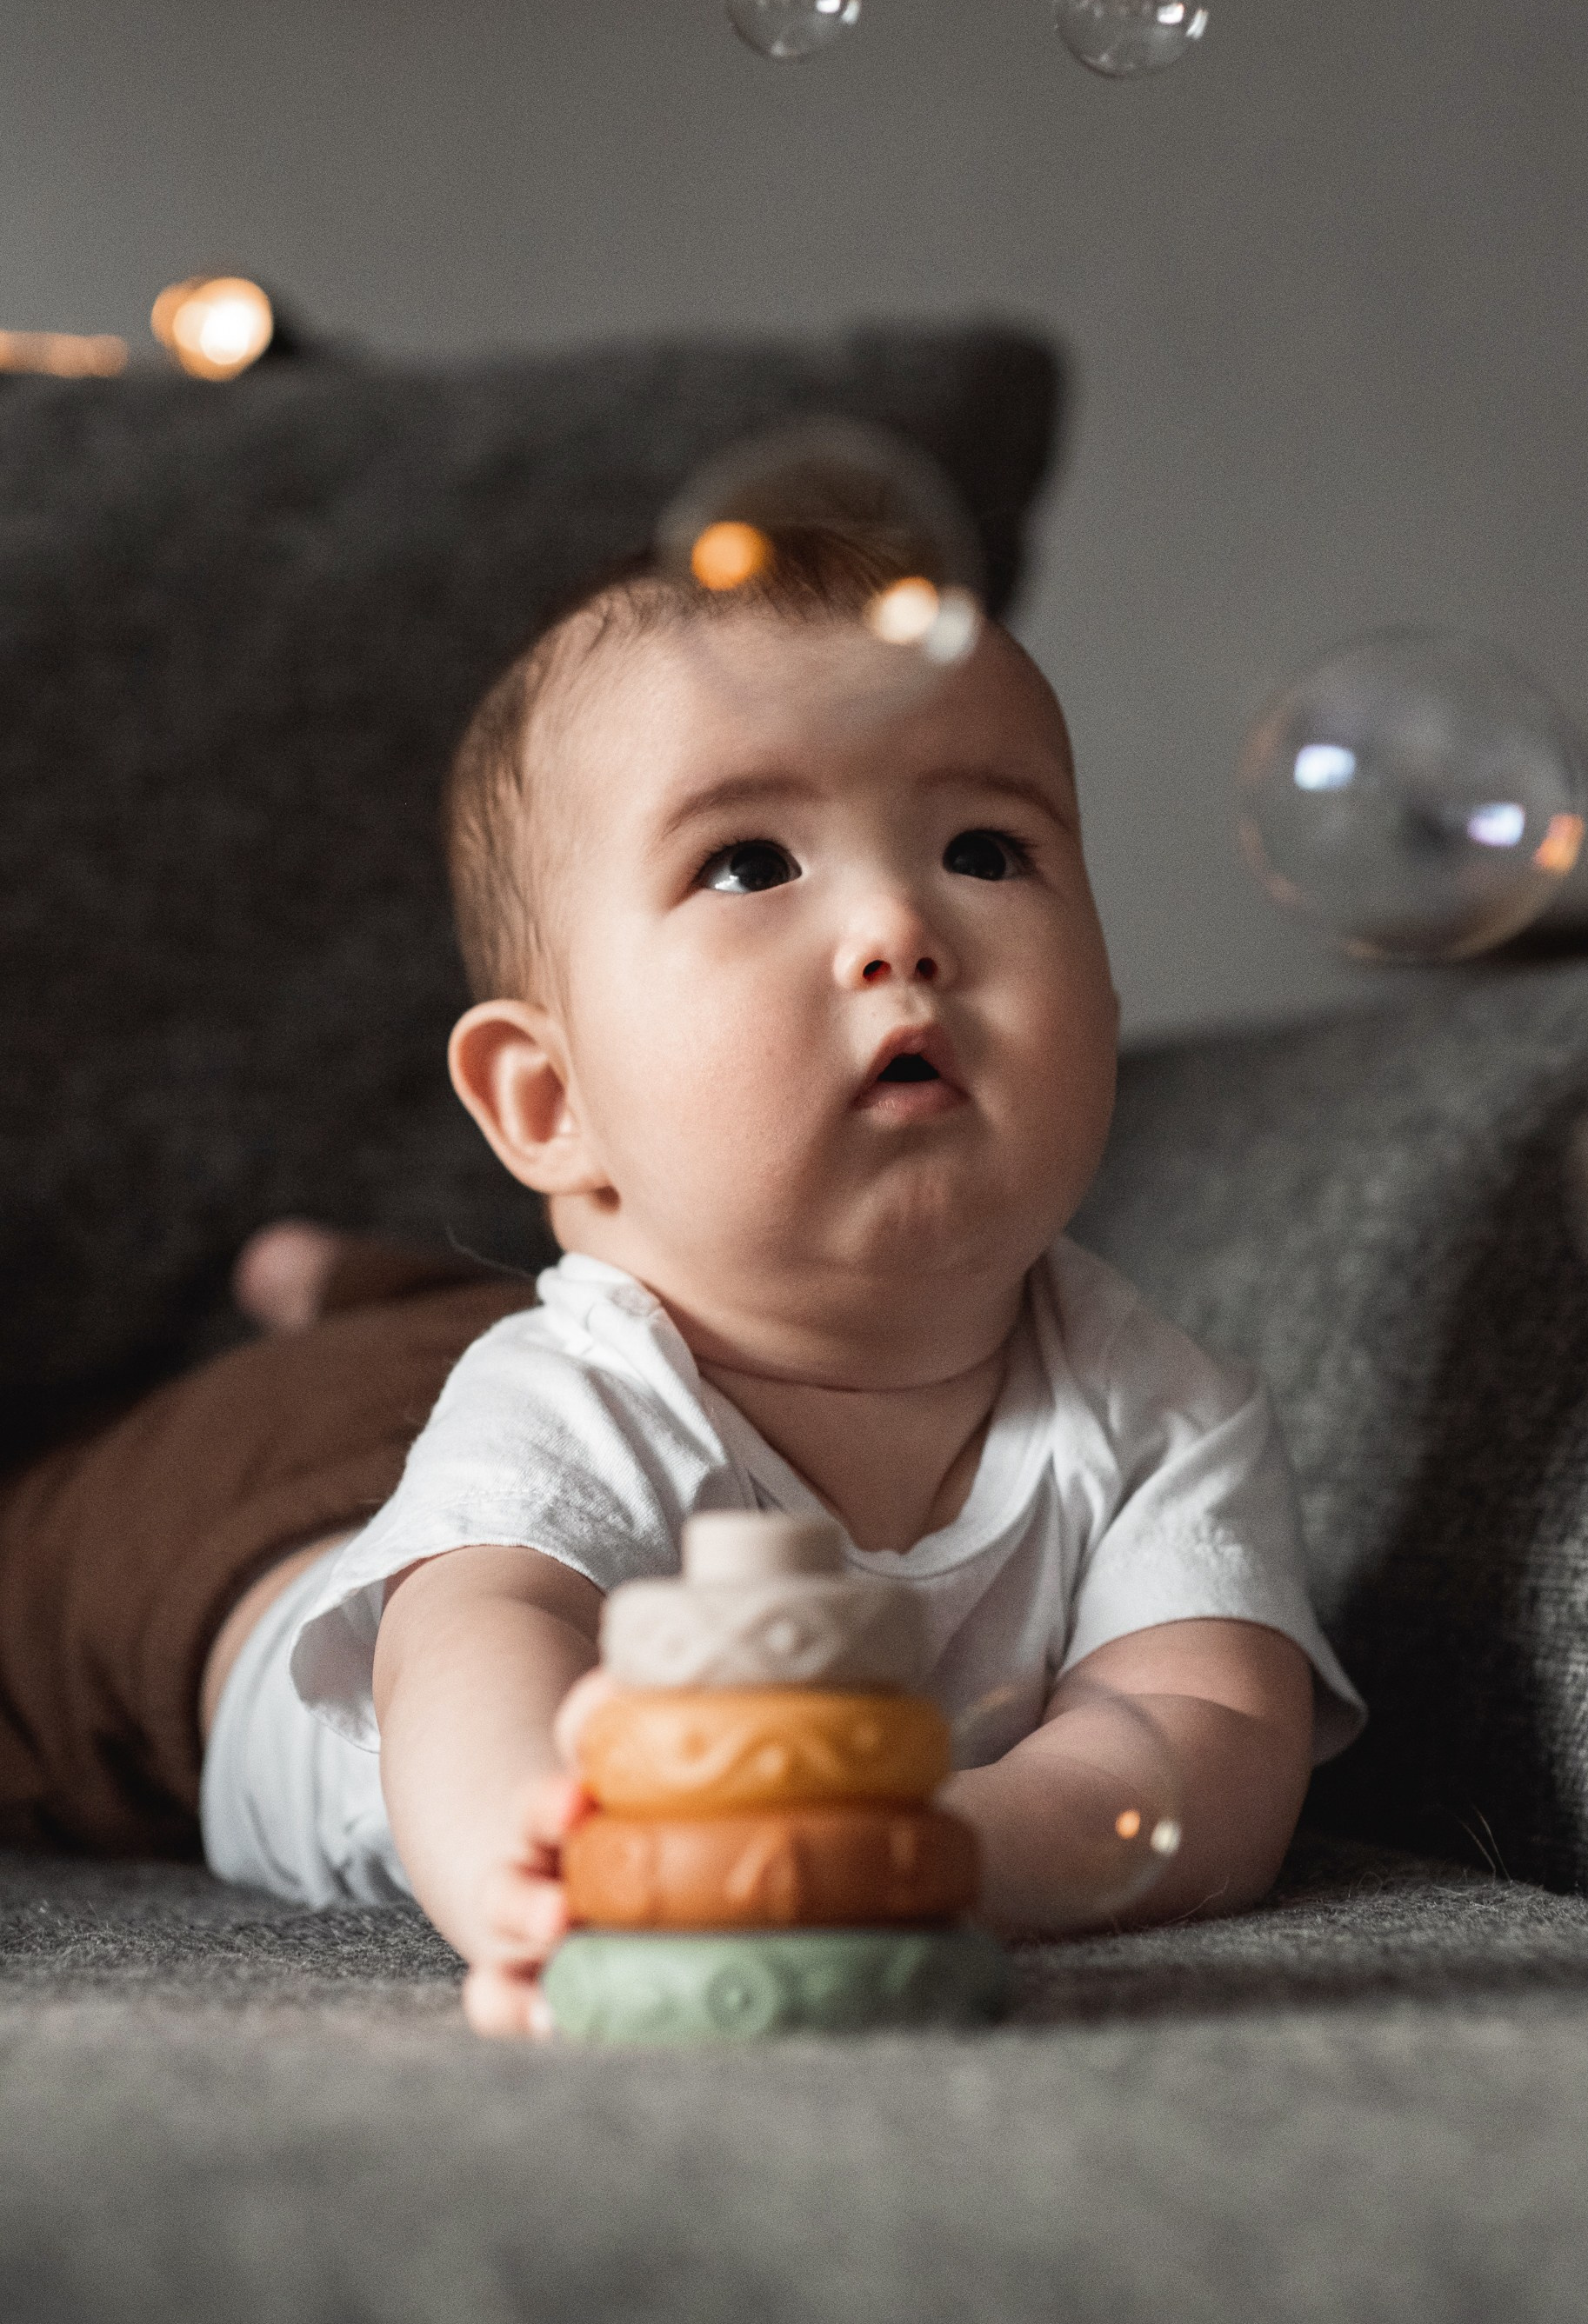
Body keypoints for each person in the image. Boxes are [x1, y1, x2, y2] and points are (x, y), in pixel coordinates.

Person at [6, 531, 1362, 2034]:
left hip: (471, 1359)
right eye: (750, 862)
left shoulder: (1161, 1408)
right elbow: (468, 1641)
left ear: (1105, 1009)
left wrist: (937, 1856)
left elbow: (1207, 1733)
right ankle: (330, 1299)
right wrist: (552, 1853)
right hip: (219, 1542)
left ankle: (352, 1287)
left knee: (438, 1349)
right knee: (75, 1564)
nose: (899, 932)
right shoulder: (569, 1401)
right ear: (545, 1101)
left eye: (986, 850)